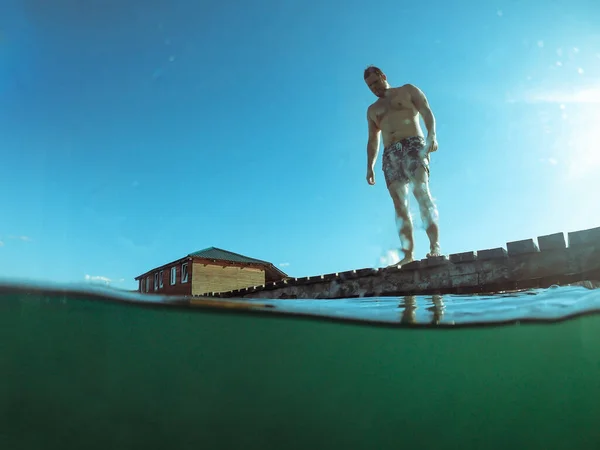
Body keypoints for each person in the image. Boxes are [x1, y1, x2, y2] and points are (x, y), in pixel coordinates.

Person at [364, 65, 441, 267]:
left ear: (384, 77)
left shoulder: (407, 90)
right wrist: (370, 166)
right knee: (400, 205)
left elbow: (426, 111)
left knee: (421, 192)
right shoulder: (372, 110)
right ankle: (408, 255)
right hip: (390, 154)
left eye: (375, 82)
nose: (373, 87)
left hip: (413, 145)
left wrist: (432, 135)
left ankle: (434, 247)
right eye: (369, 85)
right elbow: (373, 140)